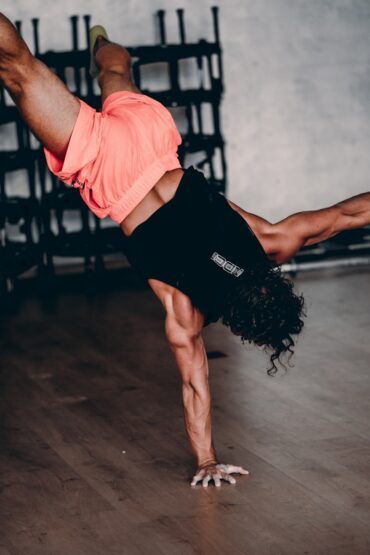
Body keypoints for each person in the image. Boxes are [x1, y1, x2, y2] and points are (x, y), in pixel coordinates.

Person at [1, 15, 369, 488]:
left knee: (116, 75)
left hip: (150, 138)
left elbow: (344, 216)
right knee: (17, 70)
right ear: (236, 323)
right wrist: (207, 461)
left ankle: (103, 43)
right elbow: (195, 386)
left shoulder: (271, 243)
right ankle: (101, 48)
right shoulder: (188, 310)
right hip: (106, 165)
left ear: (277, 281)